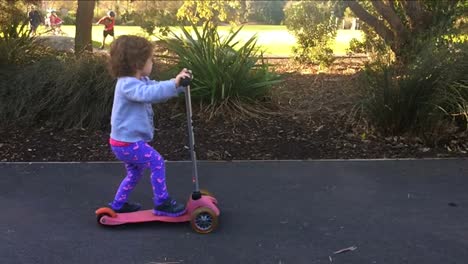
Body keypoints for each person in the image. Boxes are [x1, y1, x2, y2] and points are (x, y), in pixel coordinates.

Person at [107, 35, 192, 216]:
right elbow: (149, 93)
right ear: (138, 64)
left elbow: (155, 86)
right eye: (150, 59)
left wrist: (177, 84)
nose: (152, 63)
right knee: (157, 162)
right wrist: (174, 83)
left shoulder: (137, 81)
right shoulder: (128, 85)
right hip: (127, 143)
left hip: (125, 142)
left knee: (134, 174)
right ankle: (162, 202)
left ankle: (118, 204)